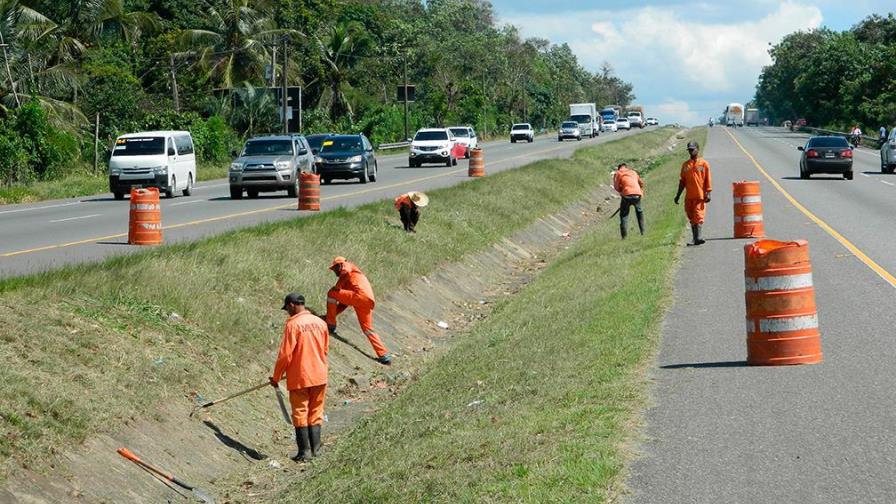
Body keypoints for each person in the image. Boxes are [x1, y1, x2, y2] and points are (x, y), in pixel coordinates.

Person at [270, 293, 329, 462]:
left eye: (287, 309)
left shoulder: (293, 325)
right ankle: (316, 450)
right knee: (316, 411)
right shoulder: (320, 323)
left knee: (300, 412)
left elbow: (285, 355)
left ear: (291, 305)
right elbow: (325, 349)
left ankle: (304, 452)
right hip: (319, 375)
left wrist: (276, 377)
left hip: (300, 377)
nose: (288, 312)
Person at [325, 257, 392, 365]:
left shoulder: (347, 266)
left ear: (339, 265)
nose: (334, 271)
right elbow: (344, 303)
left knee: (331, 293)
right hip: (367, 301)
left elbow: (346, 270)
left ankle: (330, 324)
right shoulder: (347, 279)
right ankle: (384, 355)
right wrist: (329, 315)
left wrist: (330, 321)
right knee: (367, 328)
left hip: (359, 296)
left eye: (334, 269)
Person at [674, 141, 712, 245]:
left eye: (692, 149)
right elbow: (682, 182)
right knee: (691, 217)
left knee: (698, 216)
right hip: (689, 197)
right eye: (689, 150)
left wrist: (708, 192)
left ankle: (698, 237)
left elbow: (708, 179)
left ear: (697, 149)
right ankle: (695, 239)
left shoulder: (704, 164)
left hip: (700, 196)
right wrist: (677, 195)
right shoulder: (685, 165)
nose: (690, 152)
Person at [612, 163, 644, 239]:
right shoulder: (633, 172)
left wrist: (621, 188)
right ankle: (643, 232)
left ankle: (624, 237)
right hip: (637, 194)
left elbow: (617, 188)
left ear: (619, 168)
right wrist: (639, 191)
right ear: (626, 167)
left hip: (626, 195)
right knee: (639, 212)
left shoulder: (618, 173)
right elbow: (641, 183)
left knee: (624, 215)